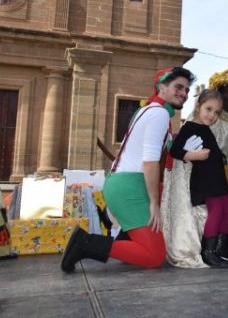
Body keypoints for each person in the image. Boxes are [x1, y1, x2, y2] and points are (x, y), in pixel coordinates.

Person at [61, 67, 195, 273]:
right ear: (162, 86)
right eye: (178, 87)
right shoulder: (158, 114)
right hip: (130, 187)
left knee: (170, 193)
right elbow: (149, 162)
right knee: (154, 256)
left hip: (123, 183)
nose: (184, 94)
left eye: (186, 90)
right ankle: (85, 243)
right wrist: (153, 204)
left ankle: (127, 236)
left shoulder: (148, 110)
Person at [169, 90, 228, 268]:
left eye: (216, 112)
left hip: (218, 178)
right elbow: (175, 151)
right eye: (209, 109)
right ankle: (208, 251)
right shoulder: (189, 127)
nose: (212, 115)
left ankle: (220, 247)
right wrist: (194, 155)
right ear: (198, 107)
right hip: (205, 179)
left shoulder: (206, 129)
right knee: (217, 211)